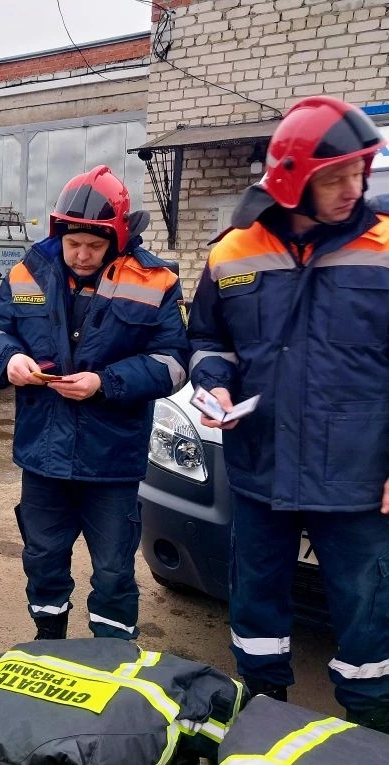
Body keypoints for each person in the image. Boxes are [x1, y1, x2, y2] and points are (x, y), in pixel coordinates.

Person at [187, 95, 389, 733]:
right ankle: (262, 711)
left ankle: (370, 728)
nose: (351, 188)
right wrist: (214, 386)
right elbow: (207, 341)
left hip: (356, 475)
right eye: (335, 177)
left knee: (367, 609)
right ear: (292, 181)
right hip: (261, 468)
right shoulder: (231, 252)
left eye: (359, 173)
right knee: (255, 601)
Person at [0, 165, 190, 642]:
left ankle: (112, 655)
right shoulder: (27, 270)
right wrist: (7, 359)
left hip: (111, 461)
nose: (82, 255)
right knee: (43, 558)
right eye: (74, 244)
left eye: (94, 246)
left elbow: (176, 362)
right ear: (59, 232)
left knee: (114, 569)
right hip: (44, 455)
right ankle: (48, 637)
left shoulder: (155, 280)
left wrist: (104, 382)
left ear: (116, 236)